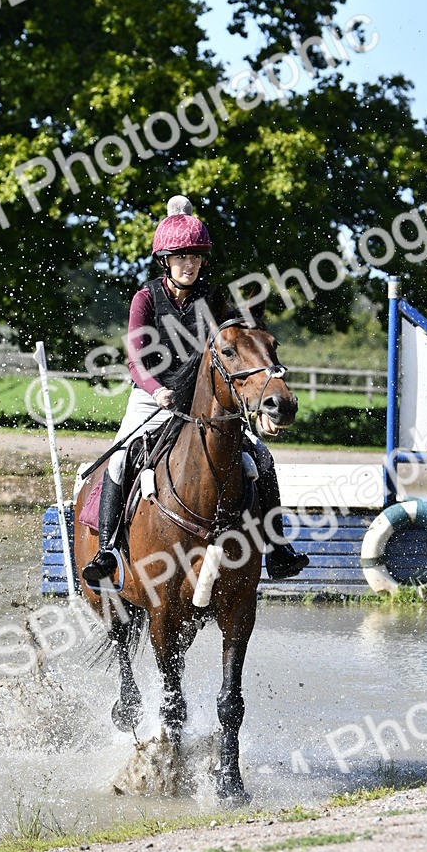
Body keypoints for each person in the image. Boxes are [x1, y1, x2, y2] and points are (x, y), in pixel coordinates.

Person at [82, 196, 310, 585]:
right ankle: (107, 552)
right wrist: (156, 391)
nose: (189, 264)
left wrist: (257, 411)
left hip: (202, 400)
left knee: (262, 459)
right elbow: (136, 361)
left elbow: (236, 351)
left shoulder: (214, 299)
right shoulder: (145, 299)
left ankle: (276, 548)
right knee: (120, 461)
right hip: (152, 396)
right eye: (181, 257)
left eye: (196, 257)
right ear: (166, 261)